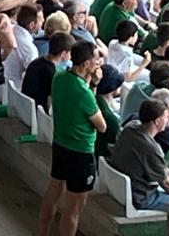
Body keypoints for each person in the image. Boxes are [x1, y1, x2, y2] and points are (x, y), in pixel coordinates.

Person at [37, 41, 107, 236]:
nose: (98, 63)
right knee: (74, 207)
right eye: (95, 60)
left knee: (54, 189)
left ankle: (43, 232)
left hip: (60, 144)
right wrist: (94, 85)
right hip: (81, 152)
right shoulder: (84, 93)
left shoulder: (59, 77)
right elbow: (102, 126)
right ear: (85, 64)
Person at [111, 98, 169, 211]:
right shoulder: (151, 148)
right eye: (166, 116)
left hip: (121, 188)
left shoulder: (130, 127)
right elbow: (166, 184)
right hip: (141, 198)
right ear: (157, 121)